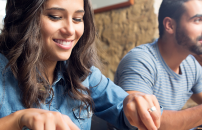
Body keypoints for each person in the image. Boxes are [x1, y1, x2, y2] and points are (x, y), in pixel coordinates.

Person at [0, 0, 162, 130]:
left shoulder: (84, 73)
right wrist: (17, 121)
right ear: (23, 18)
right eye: (55, 16)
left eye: (78, 19)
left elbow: (124, 111)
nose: (71, 30)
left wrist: (135, 105)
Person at [114, 0, 202, 130]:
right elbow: (142, 120)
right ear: (170, 25)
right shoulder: (140, 60)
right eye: (198, 20)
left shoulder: (191, 64)